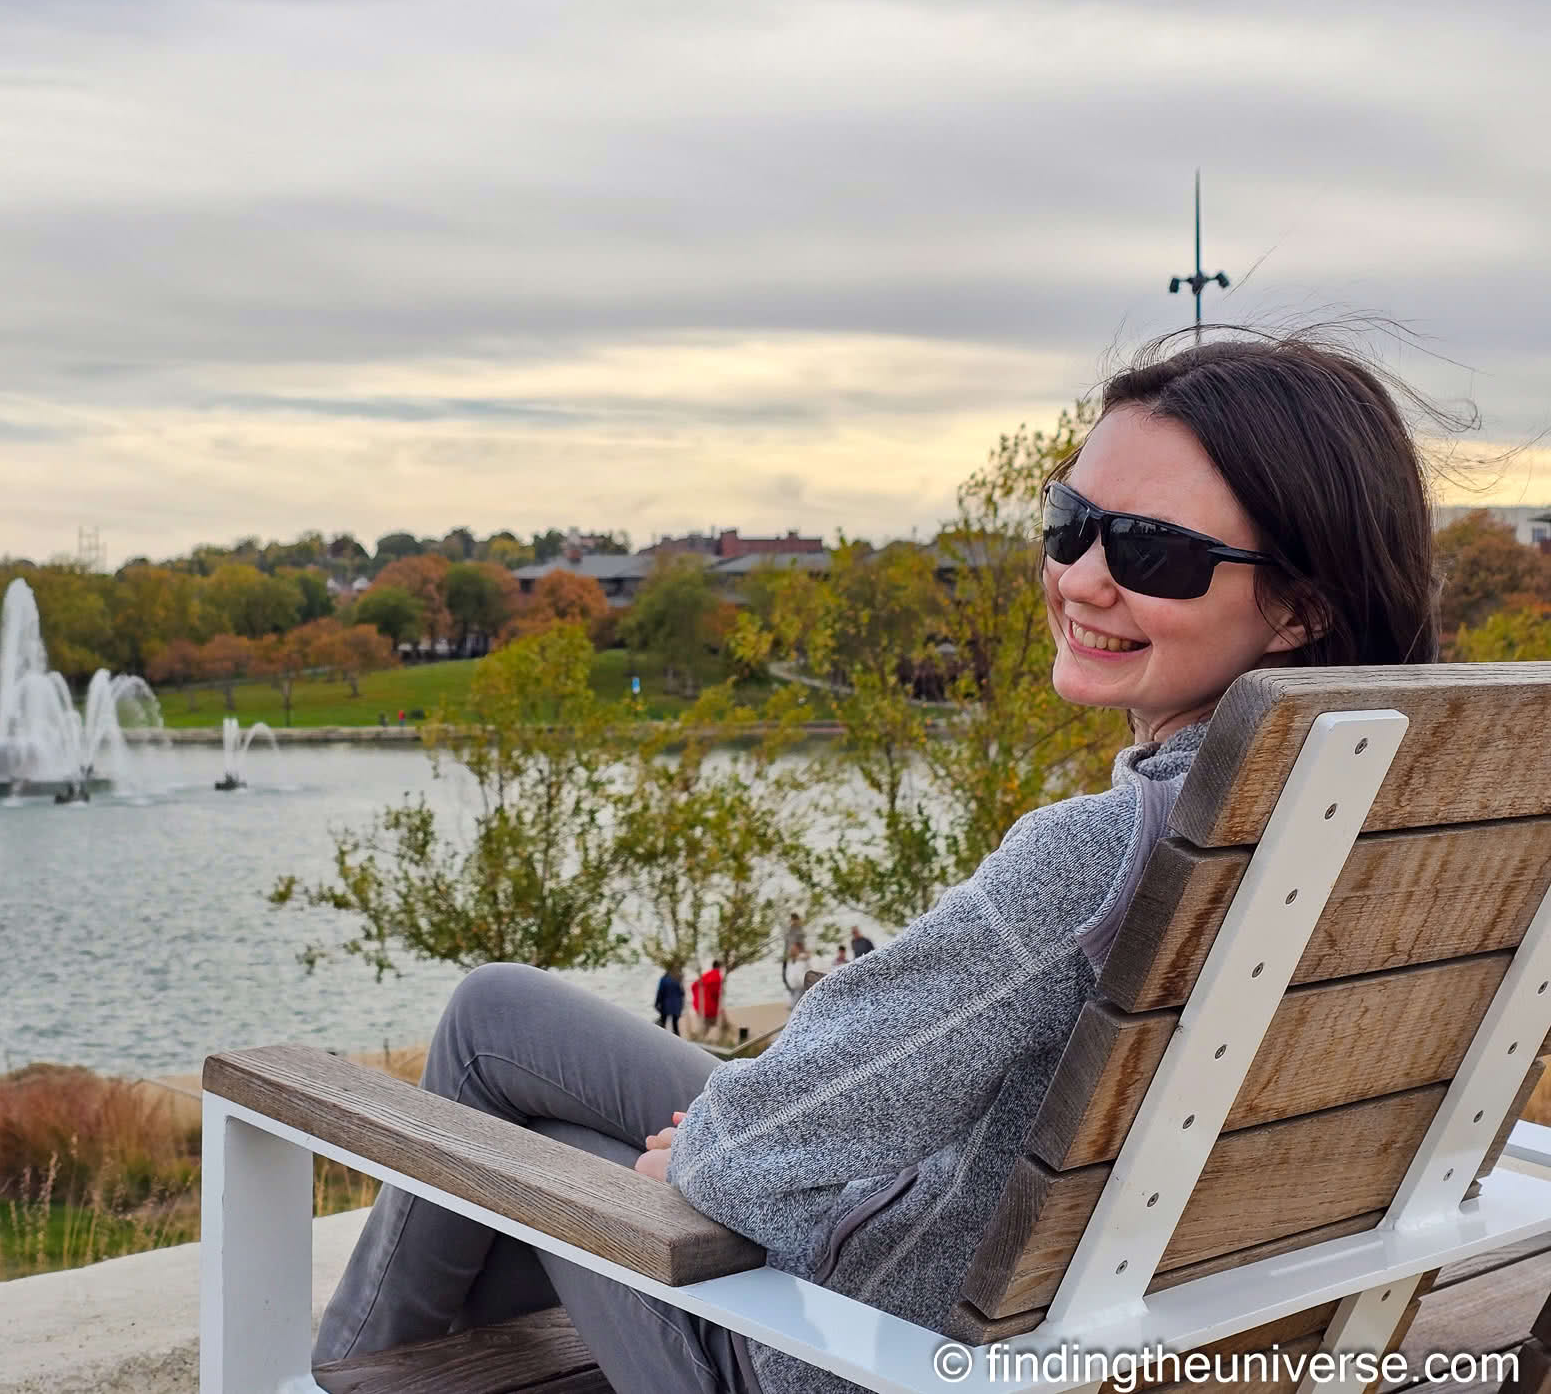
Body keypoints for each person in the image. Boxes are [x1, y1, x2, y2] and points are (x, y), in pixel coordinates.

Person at [313, 329, 1445, 1394]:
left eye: (1154, 552)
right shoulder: (1398, 841)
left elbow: (749, 1157)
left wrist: (707, 1158)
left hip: (840, 1353)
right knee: (522, 1049)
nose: (1081, 580)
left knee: (513, 1072)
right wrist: (734, 1146)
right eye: (1070, 524)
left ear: (1297, 609)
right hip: (1102, 1316)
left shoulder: (1102, 857)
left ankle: (333, 1377)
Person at [689, 960, 724, 1041]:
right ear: (719, 967)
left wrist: (697, 998)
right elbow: (716, 993)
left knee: (705, 1026)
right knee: (716, 1024)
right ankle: (700, 1041)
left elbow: (693, 986)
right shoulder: (717, 976)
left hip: (700, 1006)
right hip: (709, 1008)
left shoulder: (706, 975)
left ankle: (698, 1040)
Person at [654, 966, 685, 1035]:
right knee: (675, 1026)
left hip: (666, 1005)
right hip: (676, 1006)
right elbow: (682, 993)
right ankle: (677, 1039)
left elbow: (660, 992)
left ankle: (662, 1038)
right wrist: (681, 1006)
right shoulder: (678, 979)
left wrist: (656, 1003)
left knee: (663, 1024)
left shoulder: (664, 979)